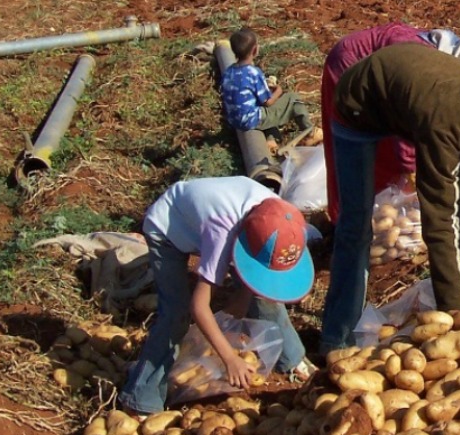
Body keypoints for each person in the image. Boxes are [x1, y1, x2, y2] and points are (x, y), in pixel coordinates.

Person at [319, 43, 460, 353]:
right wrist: (456, 312)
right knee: (356, 226)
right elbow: (438, 218)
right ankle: (337, 337)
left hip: (407, 92)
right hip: (359, 102)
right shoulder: (446, 121)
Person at [119, 177, 316, 414]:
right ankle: (141, 398)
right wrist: (229, 358)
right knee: (175, 314)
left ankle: (293, 360)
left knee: (265, 294)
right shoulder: (221, 232)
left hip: (210, 216)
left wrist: (243, 300)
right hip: (168, 229)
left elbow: (260, 275)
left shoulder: (282, 217)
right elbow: (199, 307)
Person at [319, 22, 460, 222]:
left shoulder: (455, 65)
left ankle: (388, 213)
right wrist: (418, 176)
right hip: (352, 65)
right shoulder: (428, 71)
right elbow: (407, 125)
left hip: (393, 80)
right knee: (368, 153)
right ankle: (358, 222)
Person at [221, 27, 315, 146]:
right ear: (255, 50)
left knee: (267, 110)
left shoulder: (229, 71)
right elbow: (268, 102)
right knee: (293, 98)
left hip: (234, 120)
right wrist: (278, 90)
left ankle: (271, 139)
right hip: (250, 120)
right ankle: (310, 133)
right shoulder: (253, 72)